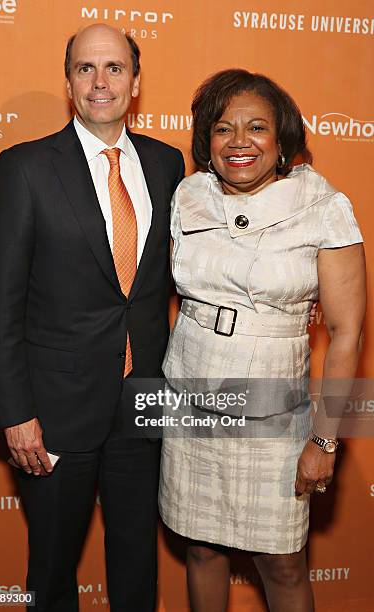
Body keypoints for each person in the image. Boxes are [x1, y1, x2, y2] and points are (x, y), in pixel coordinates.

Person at [0, 24, 184, 612]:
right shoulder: (24, 168)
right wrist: (16, 414)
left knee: (138, 563)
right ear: (69, 82)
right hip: (54, 409)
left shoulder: (168, 165)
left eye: (115, 68)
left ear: (136, 82)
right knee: (53, 569)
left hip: (144, 403)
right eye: (86, 69)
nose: (101, 82)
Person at [159, 69, 365, 612]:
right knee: (201, 550)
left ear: (282, 141)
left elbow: (345, 335)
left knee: (282, 563)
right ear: (207, 140)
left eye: (256, 128)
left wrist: (324, 442)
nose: (239, 142)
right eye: (223, 129)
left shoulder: (322, 206)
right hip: (192, 402)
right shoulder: (188, 197)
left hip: (276, 415)